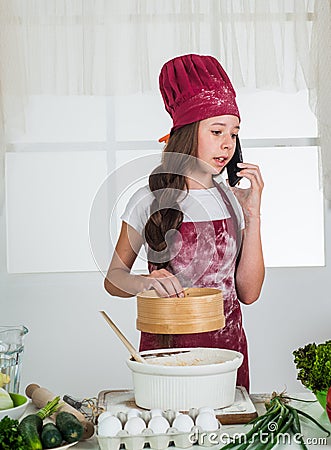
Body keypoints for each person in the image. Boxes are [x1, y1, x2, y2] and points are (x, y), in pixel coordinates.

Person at [104, 54, 264, 391]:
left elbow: (248, 292)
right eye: (217, 131)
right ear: (188, 132)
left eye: (234, 134)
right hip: (166, 355)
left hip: (227, 353)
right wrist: (144, 283)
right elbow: (114, 280)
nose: (227, 144)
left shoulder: (233, 200)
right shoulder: (148, 200)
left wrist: (253, 215)